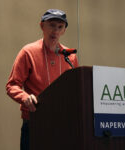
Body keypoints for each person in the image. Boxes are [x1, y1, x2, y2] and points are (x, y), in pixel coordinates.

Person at [6, 9, 78, 150]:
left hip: (62, 124)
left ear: (64, 30)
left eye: (60, 27)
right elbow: (12, 85)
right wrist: (24, 97)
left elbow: (75, 88)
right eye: (52, 25)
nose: (55, 31)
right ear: (42, 26)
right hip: (34, 123)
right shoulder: (28, 52)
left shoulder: (69, 57)